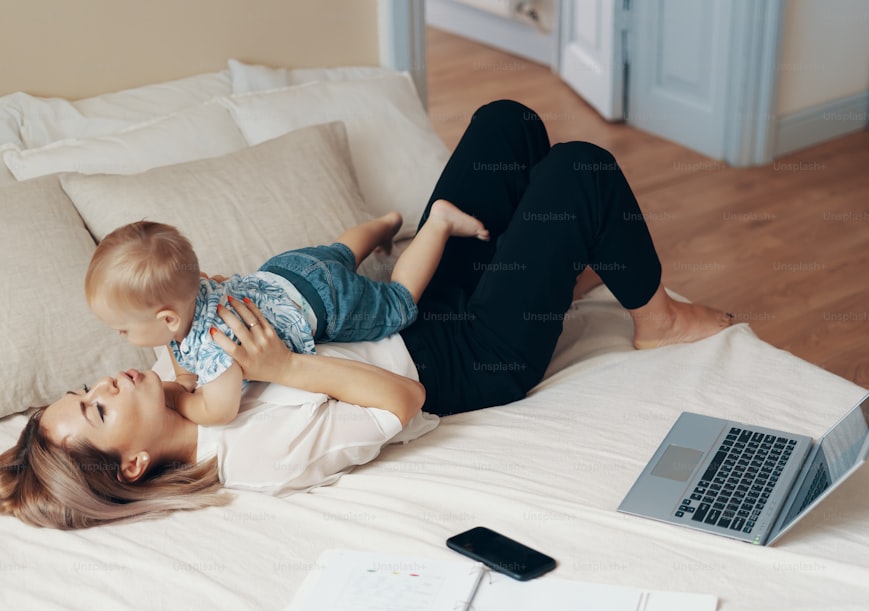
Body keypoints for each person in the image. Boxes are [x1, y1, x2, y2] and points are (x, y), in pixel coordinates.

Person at [0, 100, 733, 529]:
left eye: (85, 389)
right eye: (96, 409)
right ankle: (656, 316)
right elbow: (404, 399)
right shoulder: (249, 458)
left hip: (406, 309)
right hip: (466, 361)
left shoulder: (176, 366)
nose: (105, 383)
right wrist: (284, 367)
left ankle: (550, 271)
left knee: (505, 122)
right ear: (131, 463)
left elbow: (215, 297)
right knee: (577, 169)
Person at [84, 202, 489, 426]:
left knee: (399, 303)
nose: (120, 336)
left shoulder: (217, 350)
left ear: (168, 319)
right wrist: (185, 375)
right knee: (341, 252)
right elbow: (180, 343)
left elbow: (219, 410)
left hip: (330, 303)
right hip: (286, 269)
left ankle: (438, 223)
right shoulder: (195, 286)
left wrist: (180, 397)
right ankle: (386, 223)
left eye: (122, 330)